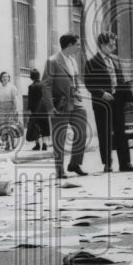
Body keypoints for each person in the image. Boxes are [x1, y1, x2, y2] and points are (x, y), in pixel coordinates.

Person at [84, 31, 133, 173]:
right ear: (102, 45)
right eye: (111, 43)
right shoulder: (91, 63)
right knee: (104, 133)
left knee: (121, 132)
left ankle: (125, 163)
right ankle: (107, 163)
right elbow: (89, 83)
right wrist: (102, 93)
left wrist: (130, 95)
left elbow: (121, 79)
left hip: (118, 100)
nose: (114, 45)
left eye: (114, 43)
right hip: (102, 103)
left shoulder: (116, 59)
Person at [41, 33, 89, 178]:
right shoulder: (53, 61)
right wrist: (50, 108)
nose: (79, 47)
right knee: (59, 137)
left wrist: (78, 91)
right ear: (70, 45)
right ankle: (59, 169)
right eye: (78, 44)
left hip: (75, 102)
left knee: (82, 132)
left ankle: (74, 164)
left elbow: (75, 79)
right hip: (60, 103)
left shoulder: (73, 60)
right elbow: (46, 85)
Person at [0, 71, 21, 149]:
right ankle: (7, 144)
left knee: (10, 126)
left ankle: (13, 143)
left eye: (7, 77)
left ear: (9, 78)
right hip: (2, 108)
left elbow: (15, 99)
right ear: (1, 79)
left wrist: (15, 109)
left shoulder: (12, 87)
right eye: (3, 77)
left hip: (10, 107)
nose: (5, 78)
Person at [25, 68, 51, 151]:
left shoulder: (31, 86)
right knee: (45, 126)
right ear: (39, 76)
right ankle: (44, 144)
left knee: (35, 127)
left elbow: (30, 99)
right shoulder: (44, 85)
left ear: (31, 77)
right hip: (44, 109)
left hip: (35, 110)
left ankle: (37, 145)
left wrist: (29, 109)